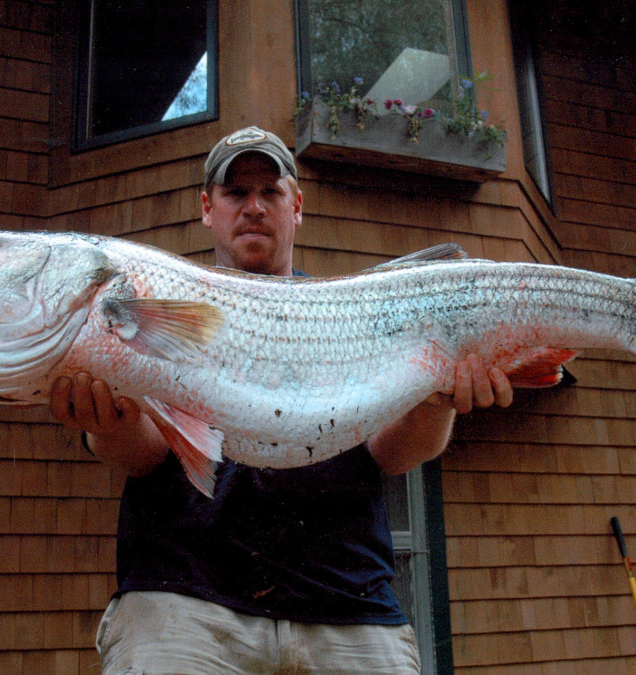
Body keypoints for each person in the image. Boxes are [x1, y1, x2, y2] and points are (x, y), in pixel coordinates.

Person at [50, 126, 513, 674]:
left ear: (297, 207)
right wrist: (108, 423)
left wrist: (437, 402)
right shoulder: (152, 309)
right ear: (207, 208)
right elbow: (146, 457)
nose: (253, 208)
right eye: (235, 193)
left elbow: (391, 456)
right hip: (182, 603)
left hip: (349, 605)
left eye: (270, 193)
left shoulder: (355, 316)